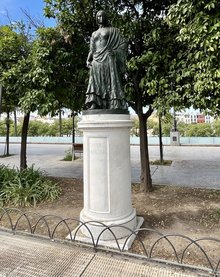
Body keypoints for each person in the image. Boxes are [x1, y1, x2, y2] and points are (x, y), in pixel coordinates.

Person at [85, 10, 127, 110]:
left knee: (110, 81)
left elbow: (123, 44)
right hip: (96, 60)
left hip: (108, 58)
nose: (101, 18)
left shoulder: (113, 31)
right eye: (99, 16)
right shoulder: (94, 33)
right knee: (95, 82)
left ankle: (114, 103)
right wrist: (88, 60)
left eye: (103, 16)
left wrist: (114, 52)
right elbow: (92, 49)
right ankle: (95, 102)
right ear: (96, 19)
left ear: (106, 17)